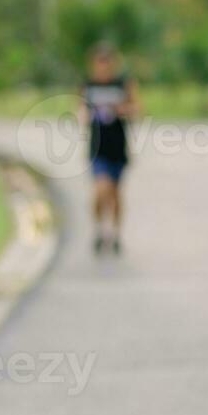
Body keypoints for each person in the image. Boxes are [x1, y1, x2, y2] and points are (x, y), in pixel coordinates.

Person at [80, 41, 139, 255]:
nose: (103, 67)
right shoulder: (88, 86)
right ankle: (98, 230)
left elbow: (136, 109)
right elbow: (80, 112)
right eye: (99, 63)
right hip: (97, 148)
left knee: (115, 193)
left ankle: (115, 234)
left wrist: (119, 110)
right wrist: (89, 115)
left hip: (118, 146)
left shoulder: (122, 84)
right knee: (100, 190)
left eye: (107, 62)